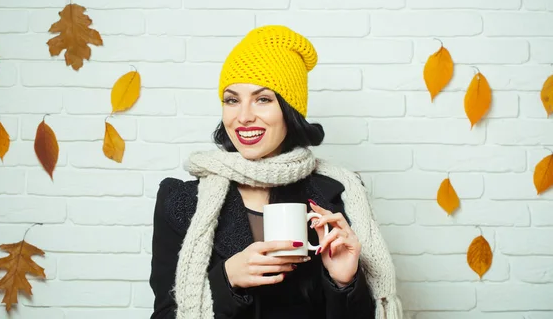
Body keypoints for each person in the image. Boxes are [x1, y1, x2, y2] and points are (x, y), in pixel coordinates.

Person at [149, 25, 403, 319]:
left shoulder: (338, 193)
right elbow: (165, 314)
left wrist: (344, 282)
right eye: (232, 100)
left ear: (289, 110)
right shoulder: (181, 201)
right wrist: (227, 279)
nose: (243, 117)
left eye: (263, 99)